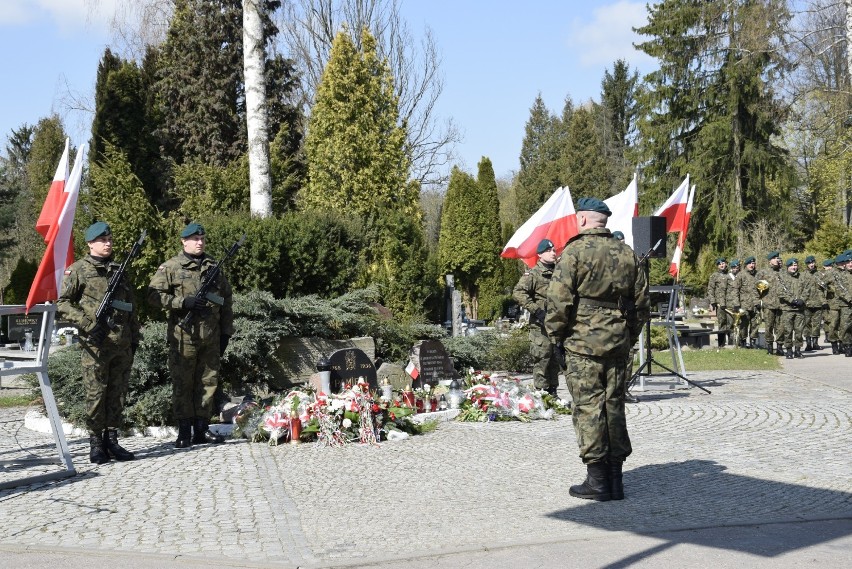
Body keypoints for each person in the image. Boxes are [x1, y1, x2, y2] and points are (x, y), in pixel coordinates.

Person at [545, 198, 650, 502]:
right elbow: (642, 304)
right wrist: (628, 335)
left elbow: (557, 303)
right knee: (613, 404)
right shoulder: (628, 253)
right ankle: (616, 480)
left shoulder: (573, 253)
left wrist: (556, 338)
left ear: (582, 220)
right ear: (604, 221)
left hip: (582, 345)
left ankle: (598, 481)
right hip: (617, 342)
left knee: (589, 407)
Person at [57, 222, 140, 464]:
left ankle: (112, 439)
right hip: (95, 344)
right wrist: (87, 323)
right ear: (90, 243)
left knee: (118, 393)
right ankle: (95, 442)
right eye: (102, 240)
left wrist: (134, 337)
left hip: (121, 343)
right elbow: (62, 303)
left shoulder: (119, 270)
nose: (108, 243)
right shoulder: (78, 270)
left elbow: (131, 307)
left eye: (110, 239)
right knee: (95, 393)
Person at [147, 223, 234, 448]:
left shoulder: (213, 266)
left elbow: (226, 300)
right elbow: (153, 296)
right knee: (183, 384)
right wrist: (181, 302)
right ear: (183, 242)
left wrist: (226, 332)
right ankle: (184, 430)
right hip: (183, 336)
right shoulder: (171, 267)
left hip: (211, 336)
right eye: (194, 239)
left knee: (208, 381)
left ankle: (202, 429)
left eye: (202, 238)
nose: (199, 242)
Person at [512, 238, 560, 396]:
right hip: (541, 325)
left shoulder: (560, 272)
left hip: (557, 324)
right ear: (540, 254)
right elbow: (518, 292)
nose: (553, 253)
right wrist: (536, 310)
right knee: (543, 358)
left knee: (555, 359)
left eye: (554, 250)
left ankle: (553, 393)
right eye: (549, 250)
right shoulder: (534, 274)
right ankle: (541, 393)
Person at [777, 258, 810, 359]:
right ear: (787, 267)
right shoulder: (782, 278)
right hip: (787, 309)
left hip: (800, 309)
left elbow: (807, 289)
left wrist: (802, 300)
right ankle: (789, 350)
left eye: (795, 265)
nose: (794, 267)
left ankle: (798, 350)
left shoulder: (802, 277)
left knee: (799, 331)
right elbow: (780, 292)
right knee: (788, 331)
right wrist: (792, 300)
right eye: (792, 266)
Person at [757, 251, 786, 356]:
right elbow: (756, 288)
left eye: (778, 258)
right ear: (770, 261)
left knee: (781, 327)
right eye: (775, 258)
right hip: (768, 304)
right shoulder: (763, 273)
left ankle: (779, 347)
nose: (777, 260)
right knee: (768, 326)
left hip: (782, 304)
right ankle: (769, 346)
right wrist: (757, 301)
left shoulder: (784, 272)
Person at [734, 256, 761, 348]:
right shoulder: (741, 275)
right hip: (744, 304)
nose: (752, 265)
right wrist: (736, 304)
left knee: (755, 324)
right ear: (746, 265)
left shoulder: (758, 275)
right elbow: (735, 290)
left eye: (753, 263)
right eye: (750, 264)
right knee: (744, 324)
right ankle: (743, 341)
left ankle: (753, 342)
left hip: (756, 304)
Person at [706, 257, 731, 347]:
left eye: (723, 263)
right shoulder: (714, 276)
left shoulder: (730, 275)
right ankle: (721, 344)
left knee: (731, 323)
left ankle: (732, 343)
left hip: (730, 303)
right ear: (717, 266)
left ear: (726, 264)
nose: (722, 265)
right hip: (720, 304)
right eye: (720, 264)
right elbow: (710, 289)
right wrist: (713, 302)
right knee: (722, 323)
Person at [800, 255, 823, 351]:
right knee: (806, 324)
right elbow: (800, 288)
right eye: (810, 263)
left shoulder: (819, 274)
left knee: (817, 324)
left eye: (813, 263)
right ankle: (808, 343)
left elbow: (823, 289)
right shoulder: (803, 275)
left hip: (818, 303)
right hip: (807, 304)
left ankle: (815, 343)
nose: (812, 265)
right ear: (806, 264)